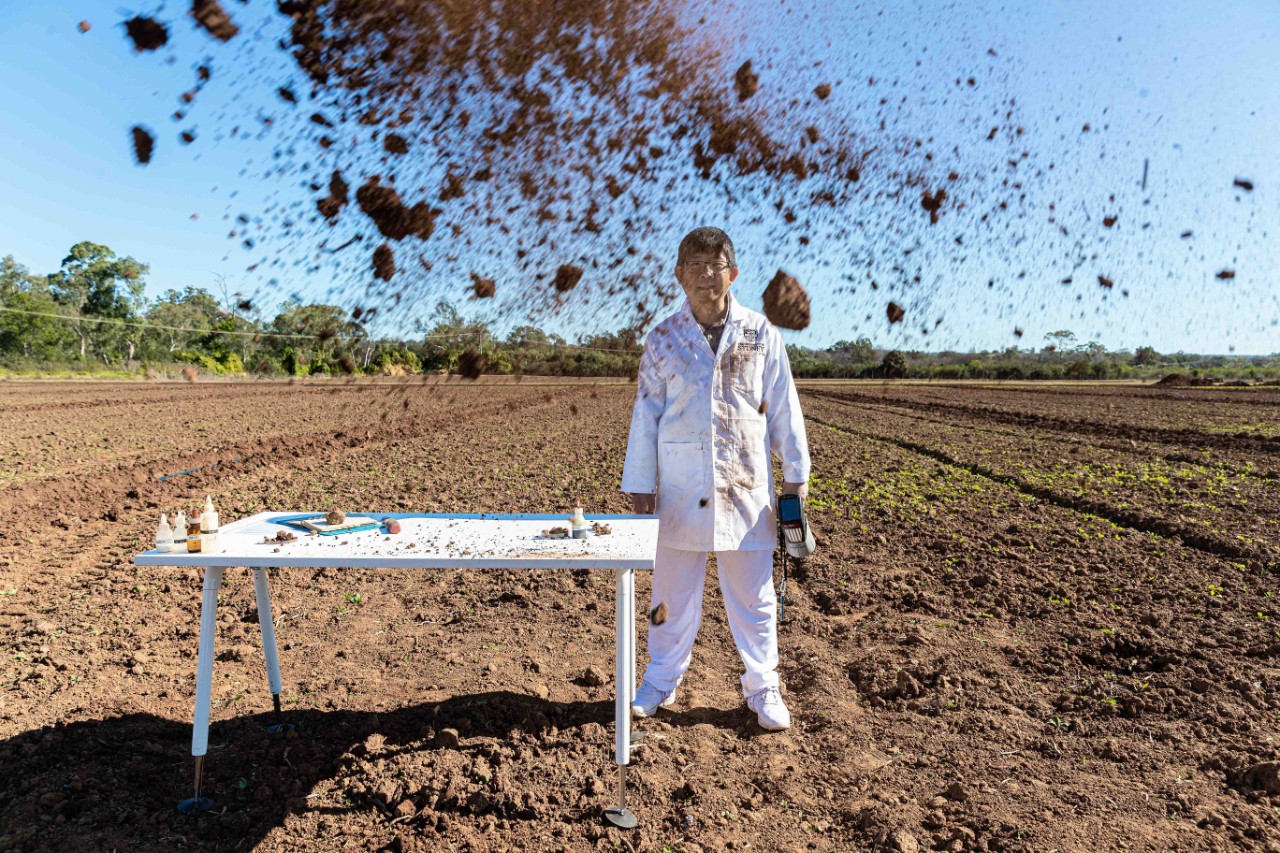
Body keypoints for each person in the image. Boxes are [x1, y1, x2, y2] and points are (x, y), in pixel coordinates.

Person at [621, 226, 810, 731]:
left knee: (755, 597)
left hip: (745, 485)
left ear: (734, 273)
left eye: (716, 265)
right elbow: (646, 416)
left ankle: (763, 685)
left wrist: (795, 478)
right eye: (696, 265)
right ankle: (660, 678)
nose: (707, 275)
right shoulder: (662, 338)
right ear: (679, 274)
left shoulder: (760, 333)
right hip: (680, 489)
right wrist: (641, 491)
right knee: (669, 595)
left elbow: (782, 408)